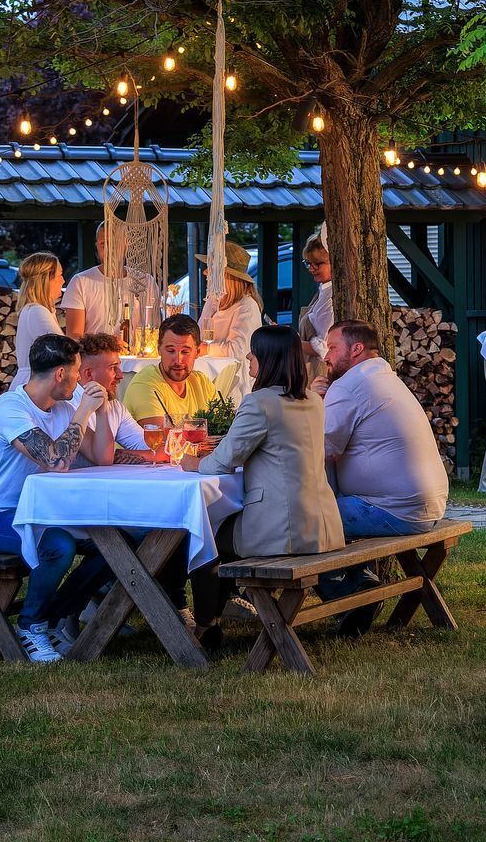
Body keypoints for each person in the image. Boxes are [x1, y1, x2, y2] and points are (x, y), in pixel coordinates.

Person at [181, 325, 344, 632]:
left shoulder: (260, 403)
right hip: (322, 524)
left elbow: (223, 461)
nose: (247, 356)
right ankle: (226, 608)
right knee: (220, 531)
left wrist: (191, 462)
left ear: (268, 359)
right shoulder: (312, 400)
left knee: (204, 537)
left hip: (283, 528)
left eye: (253, 351)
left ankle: (206, 625)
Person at [0, 333, 113, 663]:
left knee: (117, 541)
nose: (79, 380)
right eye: (76, 371)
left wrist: (101, 412)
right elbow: (55, 460)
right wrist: (82, 412)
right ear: (60, 374)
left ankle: (56, 616)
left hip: (43, 512)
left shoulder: (61, 408)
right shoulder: (10, 409)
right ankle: (31, 626)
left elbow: (102, 457)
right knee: (58, 545)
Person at [314, 319, 448, 537]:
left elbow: (320, 449)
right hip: (427, 507)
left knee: (304, 519)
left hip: (392, 510)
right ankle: (360, 573)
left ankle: (334, 573)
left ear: (356, 349)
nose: (326, 357)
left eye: (332, 348)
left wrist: (313, 402)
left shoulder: (349, 385)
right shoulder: (383, 377)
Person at [75, 333, 161, 467]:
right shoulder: (68, 406)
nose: (120, 375)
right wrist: (111, 454)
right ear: (88, 373)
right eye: (113, 368)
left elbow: (155, 449)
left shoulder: (115, 407)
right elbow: (102, 458)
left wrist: (115, 454)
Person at [61, 224, 159, 339]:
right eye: (103, 244)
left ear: (126, 244)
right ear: (97, 246)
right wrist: (106, 346)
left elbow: (155, 328)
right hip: (95, 356)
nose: (109, 249)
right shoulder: (80, 282)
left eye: (115, 243)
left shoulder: (146, 281)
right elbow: (74, 336)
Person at [122, 313, 221, 427]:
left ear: (197, 352)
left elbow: (222, 428)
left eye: (185, 352)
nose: (178, 360)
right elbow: (162, 439)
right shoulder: (145, 384)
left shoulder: (202, 382)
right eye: (170, 351)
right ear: (159, 349)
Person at [197, 241, 261, 402]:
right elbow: (198, 334)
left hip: (234, 384)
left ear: (227, 276)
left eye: (212, 269)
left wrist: (207, 349)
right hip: (210, 377)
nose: (206, 273)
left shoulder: (247, 307)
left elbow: (237, 350)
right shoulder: (213, 300)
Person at [9, 252, 64, 388]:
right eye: (60, 275)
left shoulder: (35, 310)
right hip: (34, 386)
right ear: (47, 279)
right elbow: (63, 352)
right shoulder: (37, 311)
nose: (63, 281)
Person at [297, 231, 335, 348]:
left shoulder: (332, 296)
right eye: (309, 263)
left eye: (317, 263)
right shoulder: (322, 292)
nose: (311, 269)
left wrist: (290, 342)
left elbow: (324, 347)